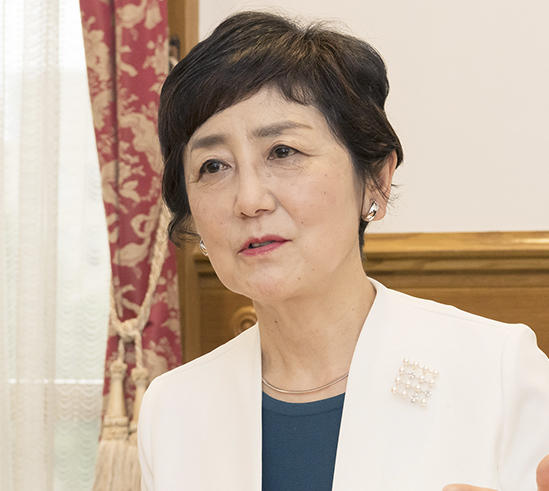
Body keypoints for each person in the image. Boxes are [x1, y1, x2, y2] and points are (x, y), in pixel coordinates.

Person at [138, 10, 549, 491]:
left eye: (283, 152)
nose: (249, 200)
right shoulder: (172, 408)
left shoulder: (498, 370)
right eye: (213, 166)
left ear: (375, 179)